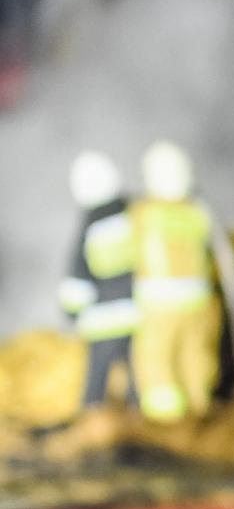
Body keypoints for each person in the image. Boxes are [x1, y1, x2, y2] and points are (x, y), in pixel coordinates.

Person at [129, 140, 220, 423]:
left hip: (159, 302)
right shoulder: (196, 212)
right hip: (198, 300)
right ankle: (200, 407)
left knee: (157, 358)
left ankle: (166, 420)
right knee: (197, 355)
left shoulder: (143, 212)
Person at [60, 150, 140, 410]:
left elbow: (78, 278)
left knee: (97, 378)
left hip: (103, 321)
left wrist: (71, 312)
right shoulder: (134, 214)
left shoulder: (90, 225)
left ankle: (92, 413)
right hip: (137, 313)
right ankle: (139, 415)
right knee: (138, 374)